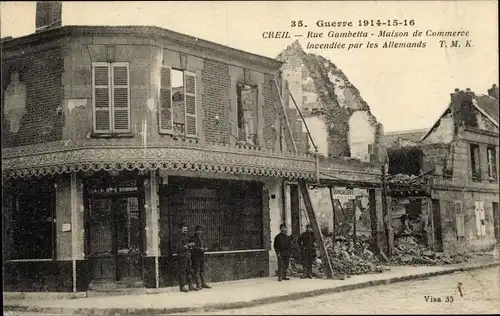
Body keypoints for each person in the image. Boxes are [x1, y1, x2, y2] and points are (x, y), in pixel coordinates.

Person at [173, 223, 197, 292]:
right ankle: (182, 286)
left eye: (186, 229)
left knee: (189, 271)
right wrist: (187, 246)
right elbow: (178, 247)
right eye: (184, 229)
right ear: (180, 229)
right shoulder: (177, 237)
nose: (185, 230)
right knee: (182, 271)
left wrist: (189, 245)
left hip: (188, 255)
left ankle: (191, 285)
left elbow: (191, 244)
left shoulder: (187, 237)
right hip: (181, 256)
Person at [190, 225, 212, 289]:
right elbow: (191, 248)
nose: (199, 232)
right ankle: (198, 284)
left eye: (200, 230)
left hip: (201, 256)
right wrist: (199, 249)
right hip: (195, 256)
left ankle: (203, 283)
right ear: (195, 231)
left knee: (202, 270)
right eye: (197, 230)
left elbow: (205, 245)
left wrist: (205, 248)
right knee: (196, 270)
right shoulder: (192, 238)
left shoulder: (202, 238)